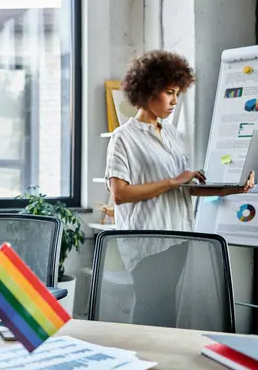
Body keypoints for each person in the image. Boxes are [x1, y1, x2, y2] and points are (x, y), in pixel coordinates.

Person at [105, 50, 255, 328]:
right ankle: (144, 362)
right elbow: (120, 194)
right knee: (152, 308)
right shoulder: (123, 138)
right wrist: (174, 181)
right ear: (148, 90)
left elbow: (184, 190)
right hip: (146, 242)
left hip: (178, 236)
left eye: (177, 93)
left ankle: (161, 365)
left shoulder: (172, 134)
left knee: (167, 309)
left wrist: (233, 190)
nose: (175, 101)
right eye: (169, 92)